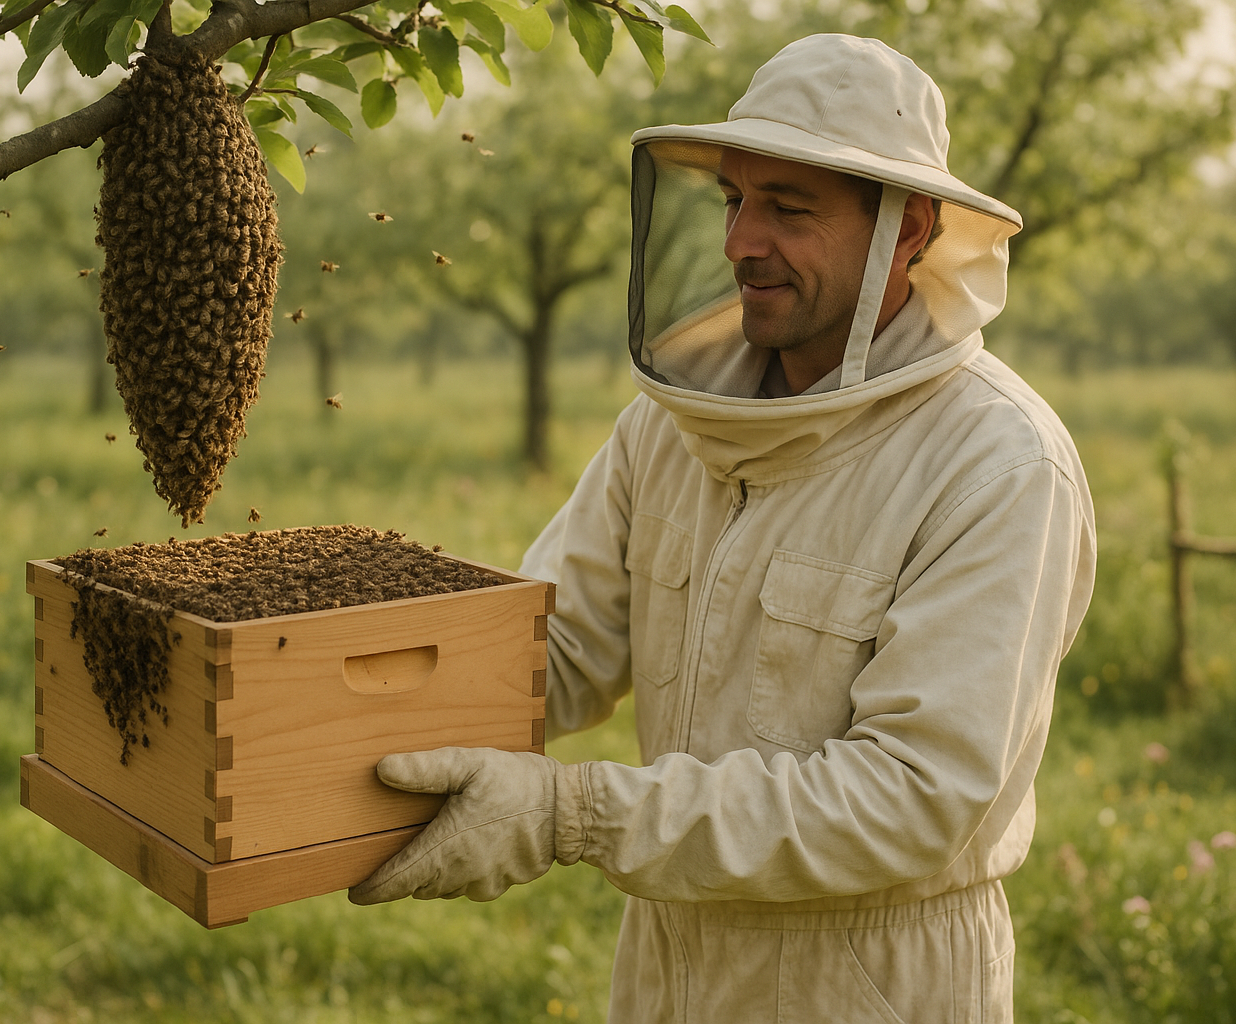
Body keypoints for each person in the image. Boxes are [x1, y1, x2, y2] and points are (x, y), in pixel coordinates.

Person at [350, 33, 1096, 1023]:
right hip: (667, 970)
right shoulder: (669, 426)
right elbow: (552, 652)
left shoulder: (995, 464)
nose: (742, 241)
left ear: (906, 229)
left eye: (788, 208)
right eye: (733, 201)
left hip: (871, 984)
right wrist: (338, 694)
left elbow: (910, 797)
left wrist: (574, 813)